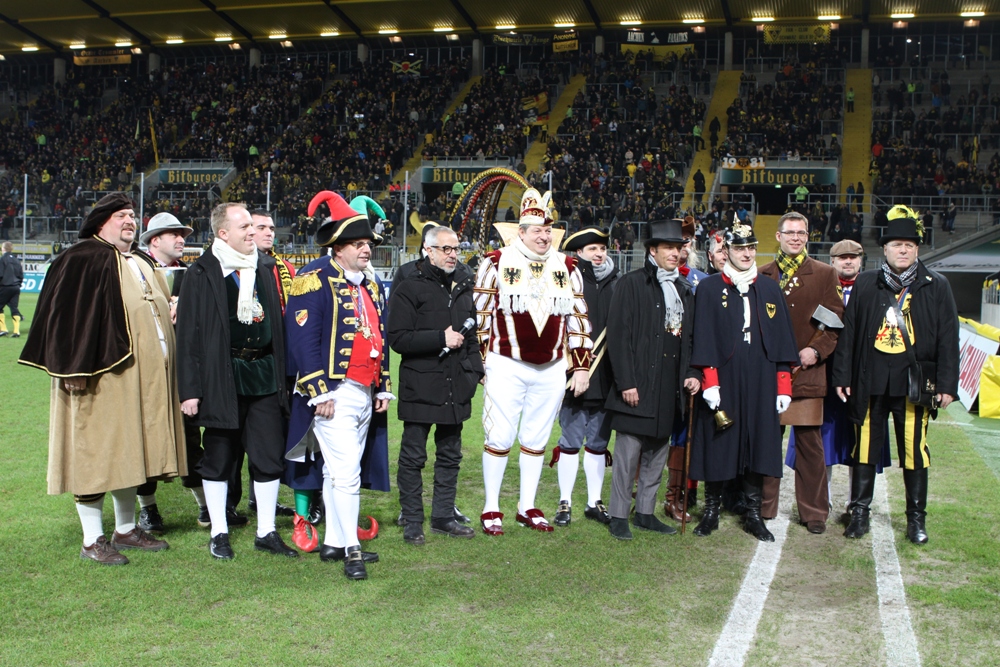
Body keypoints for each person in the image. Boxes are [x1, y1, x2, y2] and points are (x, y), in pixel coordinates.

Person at [19, 192, 184, 564]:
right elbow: (63, 317)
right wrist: (73, 368)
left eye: (132, 215)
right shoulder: (81, 258)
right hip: (97, 374)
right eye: (121, 215)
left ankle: (125, 529)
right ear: (101, 221)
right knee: (94, 453)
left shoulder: (138, 260)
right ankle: (92, 539)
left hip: (138, 376)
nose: (130, 220)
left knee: (129, 452)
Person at [176, 202, 297, 561]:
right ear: (223, 233)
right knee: (218, 457)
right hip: (220, 378)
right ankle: (219, 532)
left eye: (252, 226)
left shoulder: (265, 266)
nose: (252, 232)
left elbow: (277, 327)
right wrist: (190, 391)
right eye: (244, 226)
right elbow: (188, 337)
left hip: (263, 375)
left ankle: (266, 532)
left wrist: (283, 378)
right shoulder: (201, 272)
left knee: (268, 455)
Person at [833, 206, 959, 544]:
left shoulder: (937, 285)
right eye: (896, 245)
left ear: (917, 249)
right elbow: (849, 333)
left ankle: (916, 520)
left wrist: (947, 385)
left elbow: (949, 338)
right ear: (885, 249)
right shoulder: (865, 282)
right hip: (869, 379)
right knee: (864, 447)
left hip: (914, 383)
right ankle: (859, 513)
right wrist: (842, 376)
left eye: (909, 245)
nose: (903, 250)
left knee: (915, 449)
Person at [284, 192, 393, 579]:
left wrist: (382, 385)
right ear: (338, 247)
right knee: (347, 474)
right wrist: (319, 391)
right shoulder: (313, 279)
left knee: (336, 472)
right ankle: (352, 550)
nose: (367, 249)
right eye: (358, 243)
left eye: (368, 243)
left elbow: (378, 335)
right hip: (334, 391)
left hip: (363, 389)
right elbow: (302, 339)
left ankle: (333, 541)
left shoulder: (370, 285)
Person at [473, 188, 592, 535]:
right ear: (520, 232)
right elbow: (481, 315)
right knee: (499, 435)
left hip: (552, 367)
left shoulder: (568, 266)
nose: (544, 236)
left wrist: (581, 365)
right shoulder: (496, 262)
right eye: (537, 230)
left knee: (537, 438)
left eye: (548, 230)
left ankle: (527, 506)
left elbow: (578, 318)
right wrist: (481, 362)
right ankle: (491, 506)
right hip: (505, 362)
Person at [688, 221, 799, 542]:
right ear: (727, 251)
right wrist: (709, 380)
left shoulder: (770, 288)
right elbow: (703, 337)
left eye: (751, 248)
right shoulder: (709, 288)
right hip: (724, 375)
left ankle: (753, 514)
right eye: (740, 248)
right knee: (718, 441)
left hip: (762, 375)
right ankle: (711, 510)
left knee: (759, 441)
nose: (747, 254)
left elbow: (781, 340)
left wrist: (783, 385)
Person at [604, 220, 700, 540]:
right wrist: (626, 382)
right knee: (627, 454)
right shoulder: (630, 283)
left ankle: (645, 512)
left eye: (679, 248)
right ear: (652, 250)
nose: (675, 253)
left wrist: (691, 374)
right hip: (637, 384)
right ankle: (619, 514)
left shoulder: (684, 289)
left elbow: (689, 340)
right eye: (669, 248)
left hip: (669, 387)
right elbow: (618, 337)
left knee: (658, 452)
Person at [387, 225, 482, 545]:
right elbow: (398, 339)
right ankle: (413, 520)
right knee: (413, 456)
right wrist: (440, 338)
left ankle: (442, 517)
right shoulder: (409, 287)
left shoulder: (464, 285)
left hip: (456, 385)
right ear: (428, 251)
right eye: (446, 249)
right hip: (420, 385)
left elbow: (471, 337)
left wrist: (475, 371)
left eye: (456, 249)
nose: (453, 254)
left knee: (450, 454)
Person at [759, 212, 844, 534]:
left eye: (801, 233)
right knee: (767, 442)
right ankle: (763, 506)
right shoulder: (762, 275)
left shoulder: (825, 274)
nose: (796, 237)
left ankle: (814, 513)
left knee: (810, 446)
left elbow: (834, 323)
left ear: (808, 236)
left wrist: (815, 351)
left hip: (808, 374)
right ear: (778, 236)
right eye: (790, 232)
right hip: (769, 374)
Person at [131, 212, 211, 534]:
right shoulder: (133, 270)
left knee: (190, 438)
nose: (182, 240)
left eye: (183, 234)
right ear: (155, 240)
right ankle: (148, 509)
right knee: (144, 440)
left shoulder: (189, 272)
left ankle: (206, 505)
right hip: (146, 371)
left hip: (182, 370)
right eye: (174, 234)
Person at [551, 226, 619, 527]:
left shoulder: (618, 283)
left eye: (602, 248)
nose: (599, 254)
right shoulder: (566, 281)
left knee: (599, 442)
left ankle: (594, 502)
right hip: (574, 373)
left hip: (607, 376)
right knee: (570, 440)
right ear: (579, 253)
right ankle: (564, 501)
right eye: (592, 249)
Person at [0, 241, 23, 338]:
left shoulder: (2, 259)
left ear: (3, 249)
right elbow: (21, 275)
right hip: (16, 287)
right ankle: (16, 331)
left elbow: (0, 274)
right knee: (14, 308)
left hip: (5, 286)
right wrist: (18, 284)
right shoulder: (16, 260)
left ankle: (3, 329)